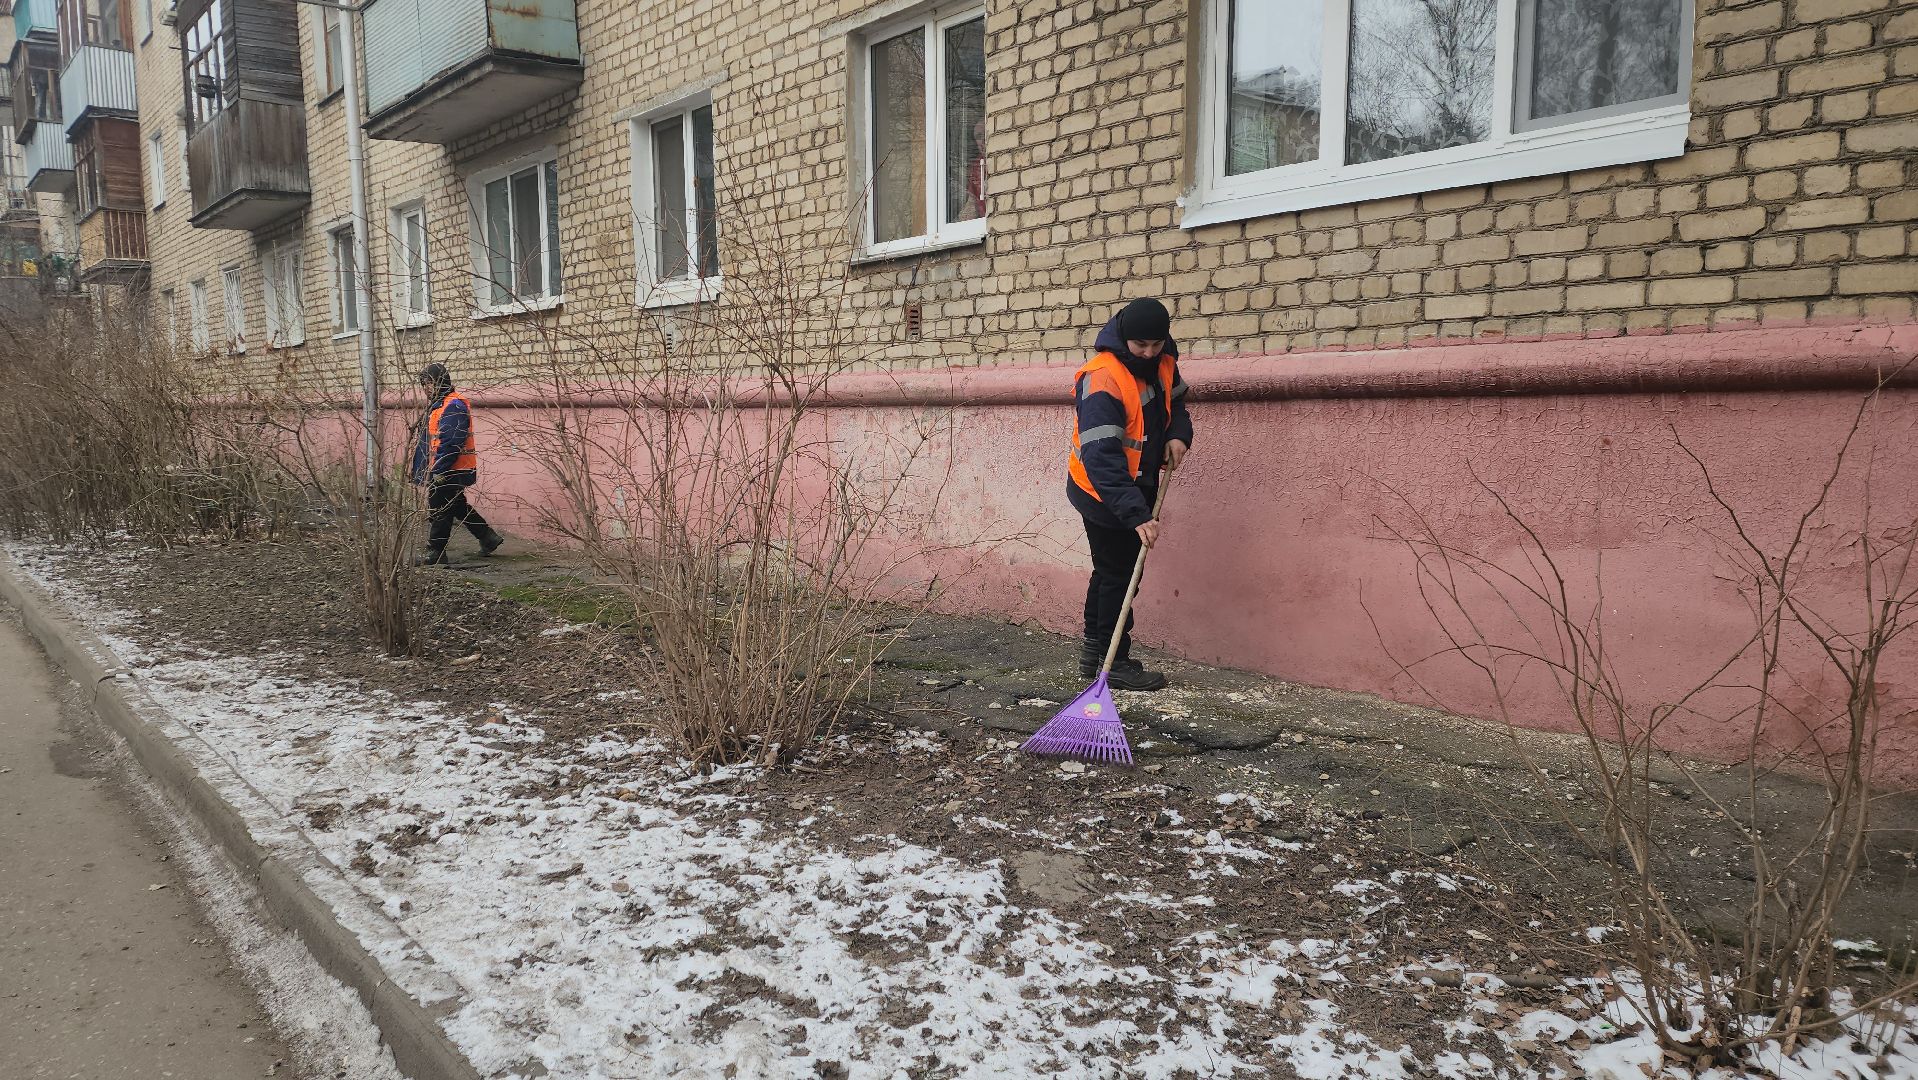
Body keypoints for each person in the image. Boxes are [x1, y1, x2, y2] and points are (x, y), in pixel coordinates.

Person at [1067, 298, 1193, 691]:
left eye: (1156, 345)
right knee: (1120, 574)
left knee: (1110, 571)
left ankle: (1095, 653)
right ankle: (1114, 661)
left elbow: (1176, 404)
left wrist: (1177, 435)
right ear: (1124, 338)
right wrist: (1137, 515)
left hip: (1136, 482)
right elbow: (1101, 457)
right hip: (1102, 489)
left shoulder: (1164, 361)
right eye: (1141, 346)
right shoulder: (1102, 377)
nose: (1149, 353)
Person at [412, 363, 504, 565]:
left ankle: (436, 553)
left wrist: (439, 469)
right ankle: (488, 537)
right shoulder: (441, 404)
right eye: (423, 384)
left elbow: (452, 442)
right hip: (449, 467)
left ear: (441, 382)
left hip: (450, 468)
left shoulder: (453, 405)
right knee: (456, 505)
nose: (426, 388)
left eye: (429, 383)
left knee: (440, 508)